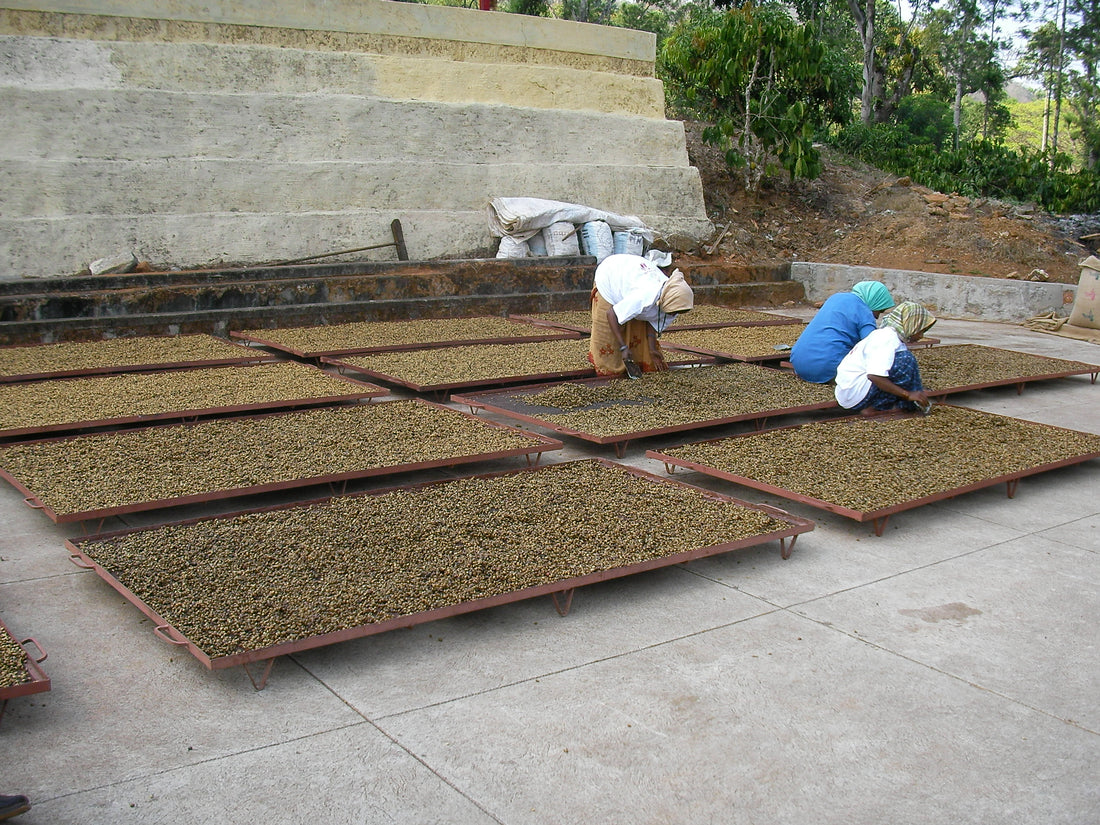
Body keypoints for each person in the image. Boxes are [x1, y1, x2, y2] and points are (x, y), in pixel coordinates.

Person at [588, 252, 694, 378]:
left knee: (638, 334)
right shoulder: (644, 296)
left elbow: (653, 321)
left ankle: (634, 362)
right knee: (607, 339)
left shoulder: (674, 300)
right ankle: (608, 372)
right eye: (675, 312)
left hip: (633, 279)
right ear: (667, 301)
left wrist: (652, 349)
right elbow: (612, 314)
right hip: (611, 274)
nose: (675, 315)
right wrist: (623, 347)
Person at [834, 301, 936, 415]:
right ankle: (876, 407)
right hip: (856, 394)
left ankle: (912, 400)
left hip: (850, 391)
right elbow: (875, 376)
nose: (921, 336)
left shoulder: (891, 336)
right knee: (906, 360)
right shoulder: (887, 338)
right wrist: (908, 394)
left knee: (903, 359)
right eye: (920, 331)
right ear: (911, 325)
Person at [789, 280, 895, 384]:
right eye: (879, 311)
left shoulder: (836, 298)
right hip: (826, 369)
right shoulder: (864, 311)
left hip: (797, 363)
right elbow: (873, 347)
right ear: (874, 301)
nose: (877, 316)